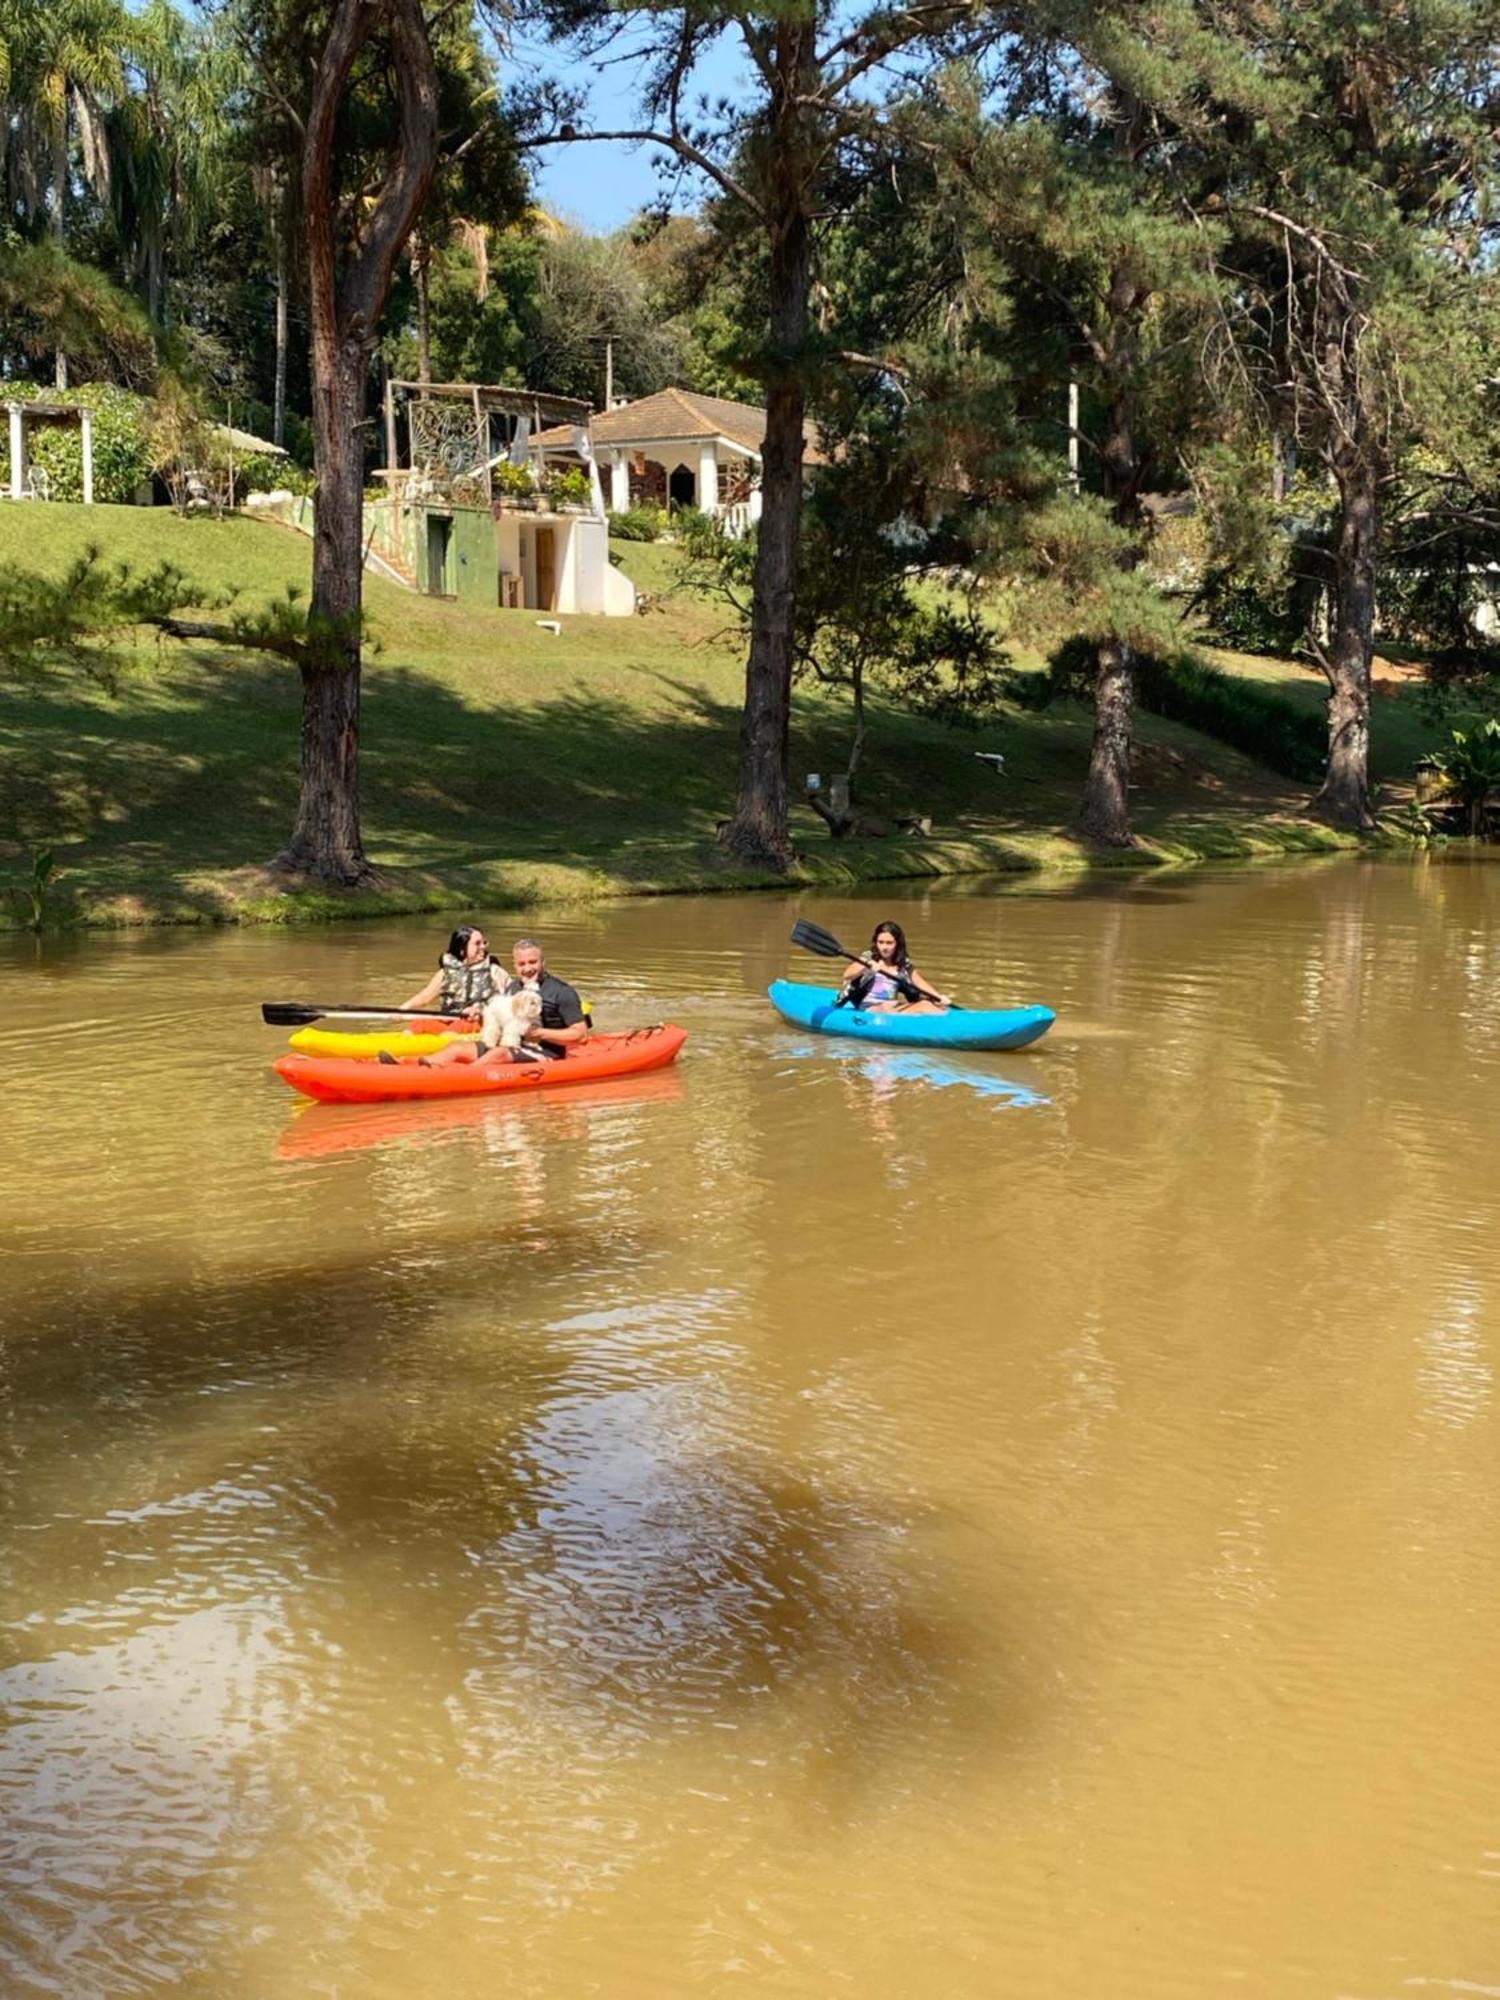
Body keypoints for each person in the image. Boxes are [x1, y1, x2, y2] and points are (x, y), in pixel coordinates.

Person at [413, 936, 590, 1069]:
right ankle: (419, 1071)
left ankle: (463, 1077)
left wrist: (541, 1033)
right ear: (515, 966)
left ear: (543, 962)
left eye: (533, 962)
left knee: (499, 1053)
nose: (527, 969)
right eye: (521, 964)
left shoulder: (562, 992)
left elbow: (580, 1034)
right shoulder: (512, 988)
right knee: (456, 1047)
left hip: (547, 1052)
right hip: (510, 1044)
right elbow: (499, 1020)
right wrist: (478, 1014)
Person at [839, 921, 953, 1015]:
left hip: (892, 1006)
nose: (884, 947)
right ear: (876, 942)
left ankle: (949, 1024)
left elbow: (919, 981)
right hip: (868, 1008)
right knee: (886, 1007)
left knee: (927, 1004)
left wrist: (939, 997)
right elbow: (847, 975)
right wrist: (866, 966)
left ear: (897, 944)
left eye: (889, 943)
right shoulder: (868, 957)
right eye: (881, 942)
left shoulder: (903, 964)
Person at [400, 925, 503, 1016]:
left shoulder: (494, 971)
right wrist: (400, 1011)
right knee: (412, 1030)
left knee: (448, 1034)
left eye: (484, 943)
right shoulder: (445, 973)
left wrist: (482, 1011)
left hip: (480, 1023)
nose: (483, 947)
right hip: (450, 1021)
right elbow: (424, 998)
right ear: (462, 950)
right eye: (477, 944)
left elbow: (509, 1000)